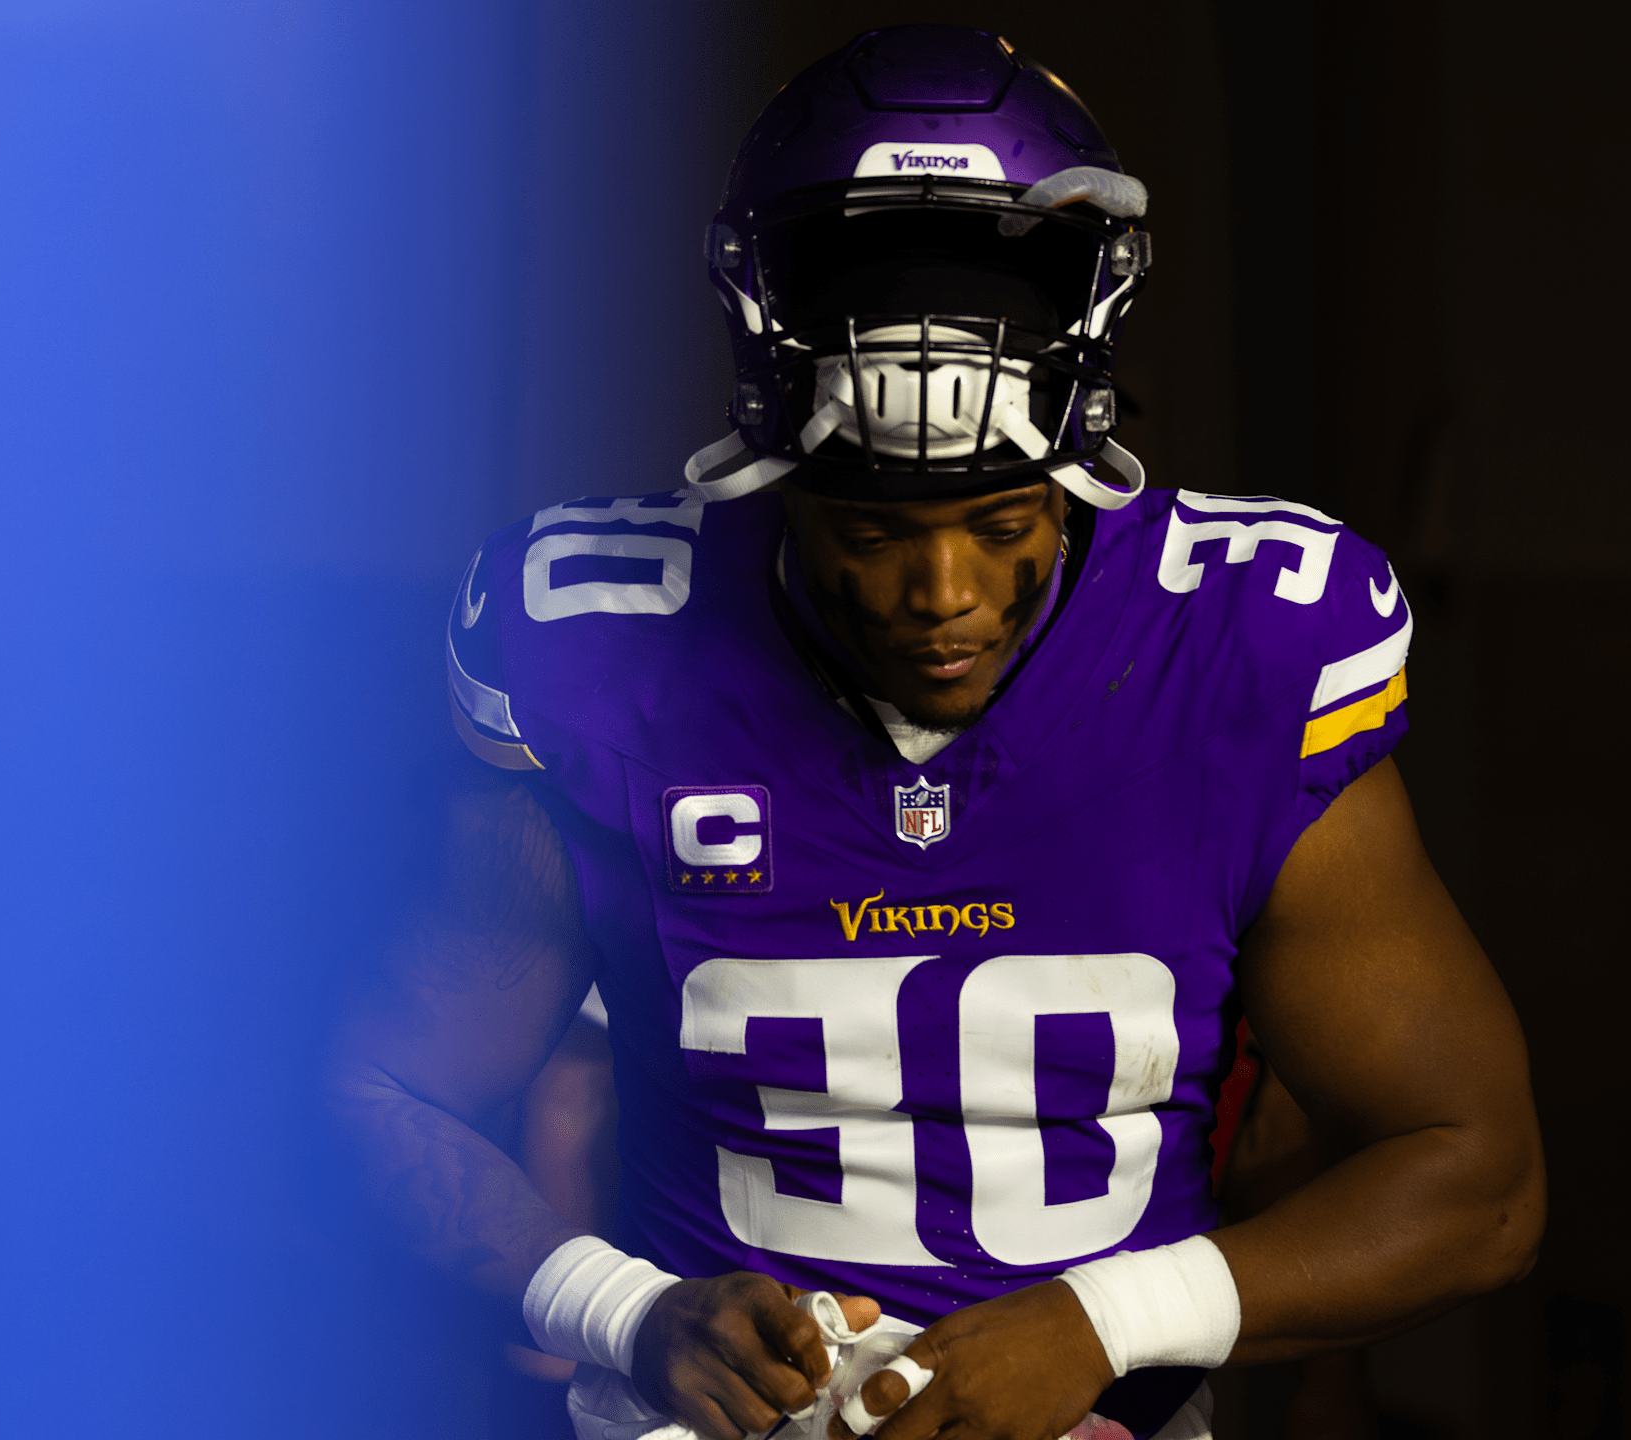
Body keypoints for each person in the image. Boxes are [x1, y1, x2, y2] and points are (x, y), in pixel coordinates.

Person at [329, 25, 1543, 1440]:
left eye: (1000, 518)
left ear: (1080, 461)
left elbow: (1480, 1177)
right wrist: (624, 1309)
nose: (943, 598)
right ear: (772, 475)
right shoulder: (611, 644)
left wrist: (1103, 1325)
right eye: (871, 530)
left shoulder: (1240, 649)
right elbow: (378, 1085)